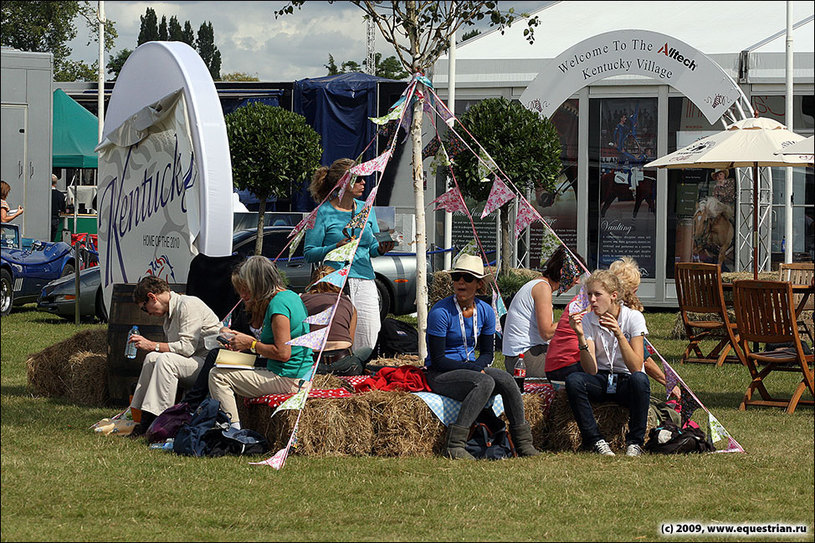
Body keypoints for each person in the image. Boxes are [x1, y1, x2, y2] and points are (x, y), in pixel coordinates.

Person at [425, 254, 539, 459]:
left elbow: (487, 353)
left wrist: (477, 366)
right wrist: (475, 369)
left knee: (507, 379)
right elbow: (439, 360)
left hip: (469, 368)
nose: (460, 281)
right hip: (440, 373)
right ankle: (455, 445)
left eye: (467, 278)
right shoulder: (439, 312)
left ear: (478, 284)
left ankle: (523, 443)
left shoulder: (486, 310)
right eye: (457, 277)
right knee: (484, 382)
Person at [546, 257, 681, 400]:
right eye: (634, 291)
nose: (634, 296)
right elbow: (642, 360)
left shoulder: (589, 295)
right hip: (571, 365)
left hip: (554, 365)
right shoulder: (604, 307)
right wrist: (668, 384)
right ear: (619, 291)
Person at [208, 256, 312, 429]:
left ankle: (233, 431)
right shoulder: (291, 296)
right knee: (223, 364)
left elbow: (283, 353)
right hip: (297, 374)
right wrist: (243, 341)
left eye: (246, 287)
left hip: (288, 378)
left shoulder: (277, 305)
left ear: (257, 283)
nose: (243, 295)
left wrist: (251, 344)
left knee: (217, 375)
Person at [304, 158, 394, 352]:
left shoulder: (366, 209)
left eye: (364, 178)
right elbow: (309, 253)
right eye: (359, 179)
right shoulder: (322, 212)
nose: (364, 183)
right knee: (337, 335)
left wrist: (381, 249)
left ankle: (361, 373)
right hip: (334, 281)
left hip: (365, 278)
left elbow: (372, 247)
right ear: (344, 182)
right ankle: (339, 373)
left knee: (370, 335)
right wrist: (334, 247)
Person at [566, 270, 650, 457]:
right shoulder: (587, 319)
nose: (592, 300)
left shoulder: (633, 318)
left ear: (613, 296)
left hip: (627, 380)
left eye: (597, 294)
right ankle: (595, 440)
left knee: (640, 380)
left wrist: (620, 335)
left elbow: (637, 367)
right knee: (574, 380)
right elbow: (591, 369)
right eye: (589, 295)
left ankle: (635, 443)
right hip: (602, 378)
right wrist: (580, 336)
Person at [127, 276, 222, 435]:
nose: (148, 314)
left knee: (165, 360)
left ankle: (163, 422)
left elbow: (186, 348)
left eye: (145, 308)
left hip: (209, 365)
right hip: (193, 362)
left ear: (152, 297)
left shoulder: (188, 305)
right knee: (152, 357)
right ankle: (142, 417)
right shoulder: (169, 316)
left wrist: (152, 344)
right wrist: (154, 349)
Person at [502, 246, 578, 377]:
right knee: (579, 366)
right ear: (562, 272)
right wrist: (571, 320)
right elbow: (547, 332)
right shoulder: (542, 288)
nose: (577, 281)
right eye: (576, 276)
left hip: (522, 355)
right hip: (524, 358)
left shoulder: (539, 284)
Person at [301, 265, 371, 376]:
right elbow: (350, 342)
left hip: (311, 364)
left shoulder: (301, 299)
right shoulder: (348, 303)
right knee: (367, 350)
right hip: (345, 365)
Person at [50, 174, 66, 242]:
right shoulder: (60, 195)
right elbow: (63, 209)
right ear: (56, 182)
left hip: (44, 219)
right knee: (52, 239)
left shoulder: (45, 194)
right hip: (55, 218)